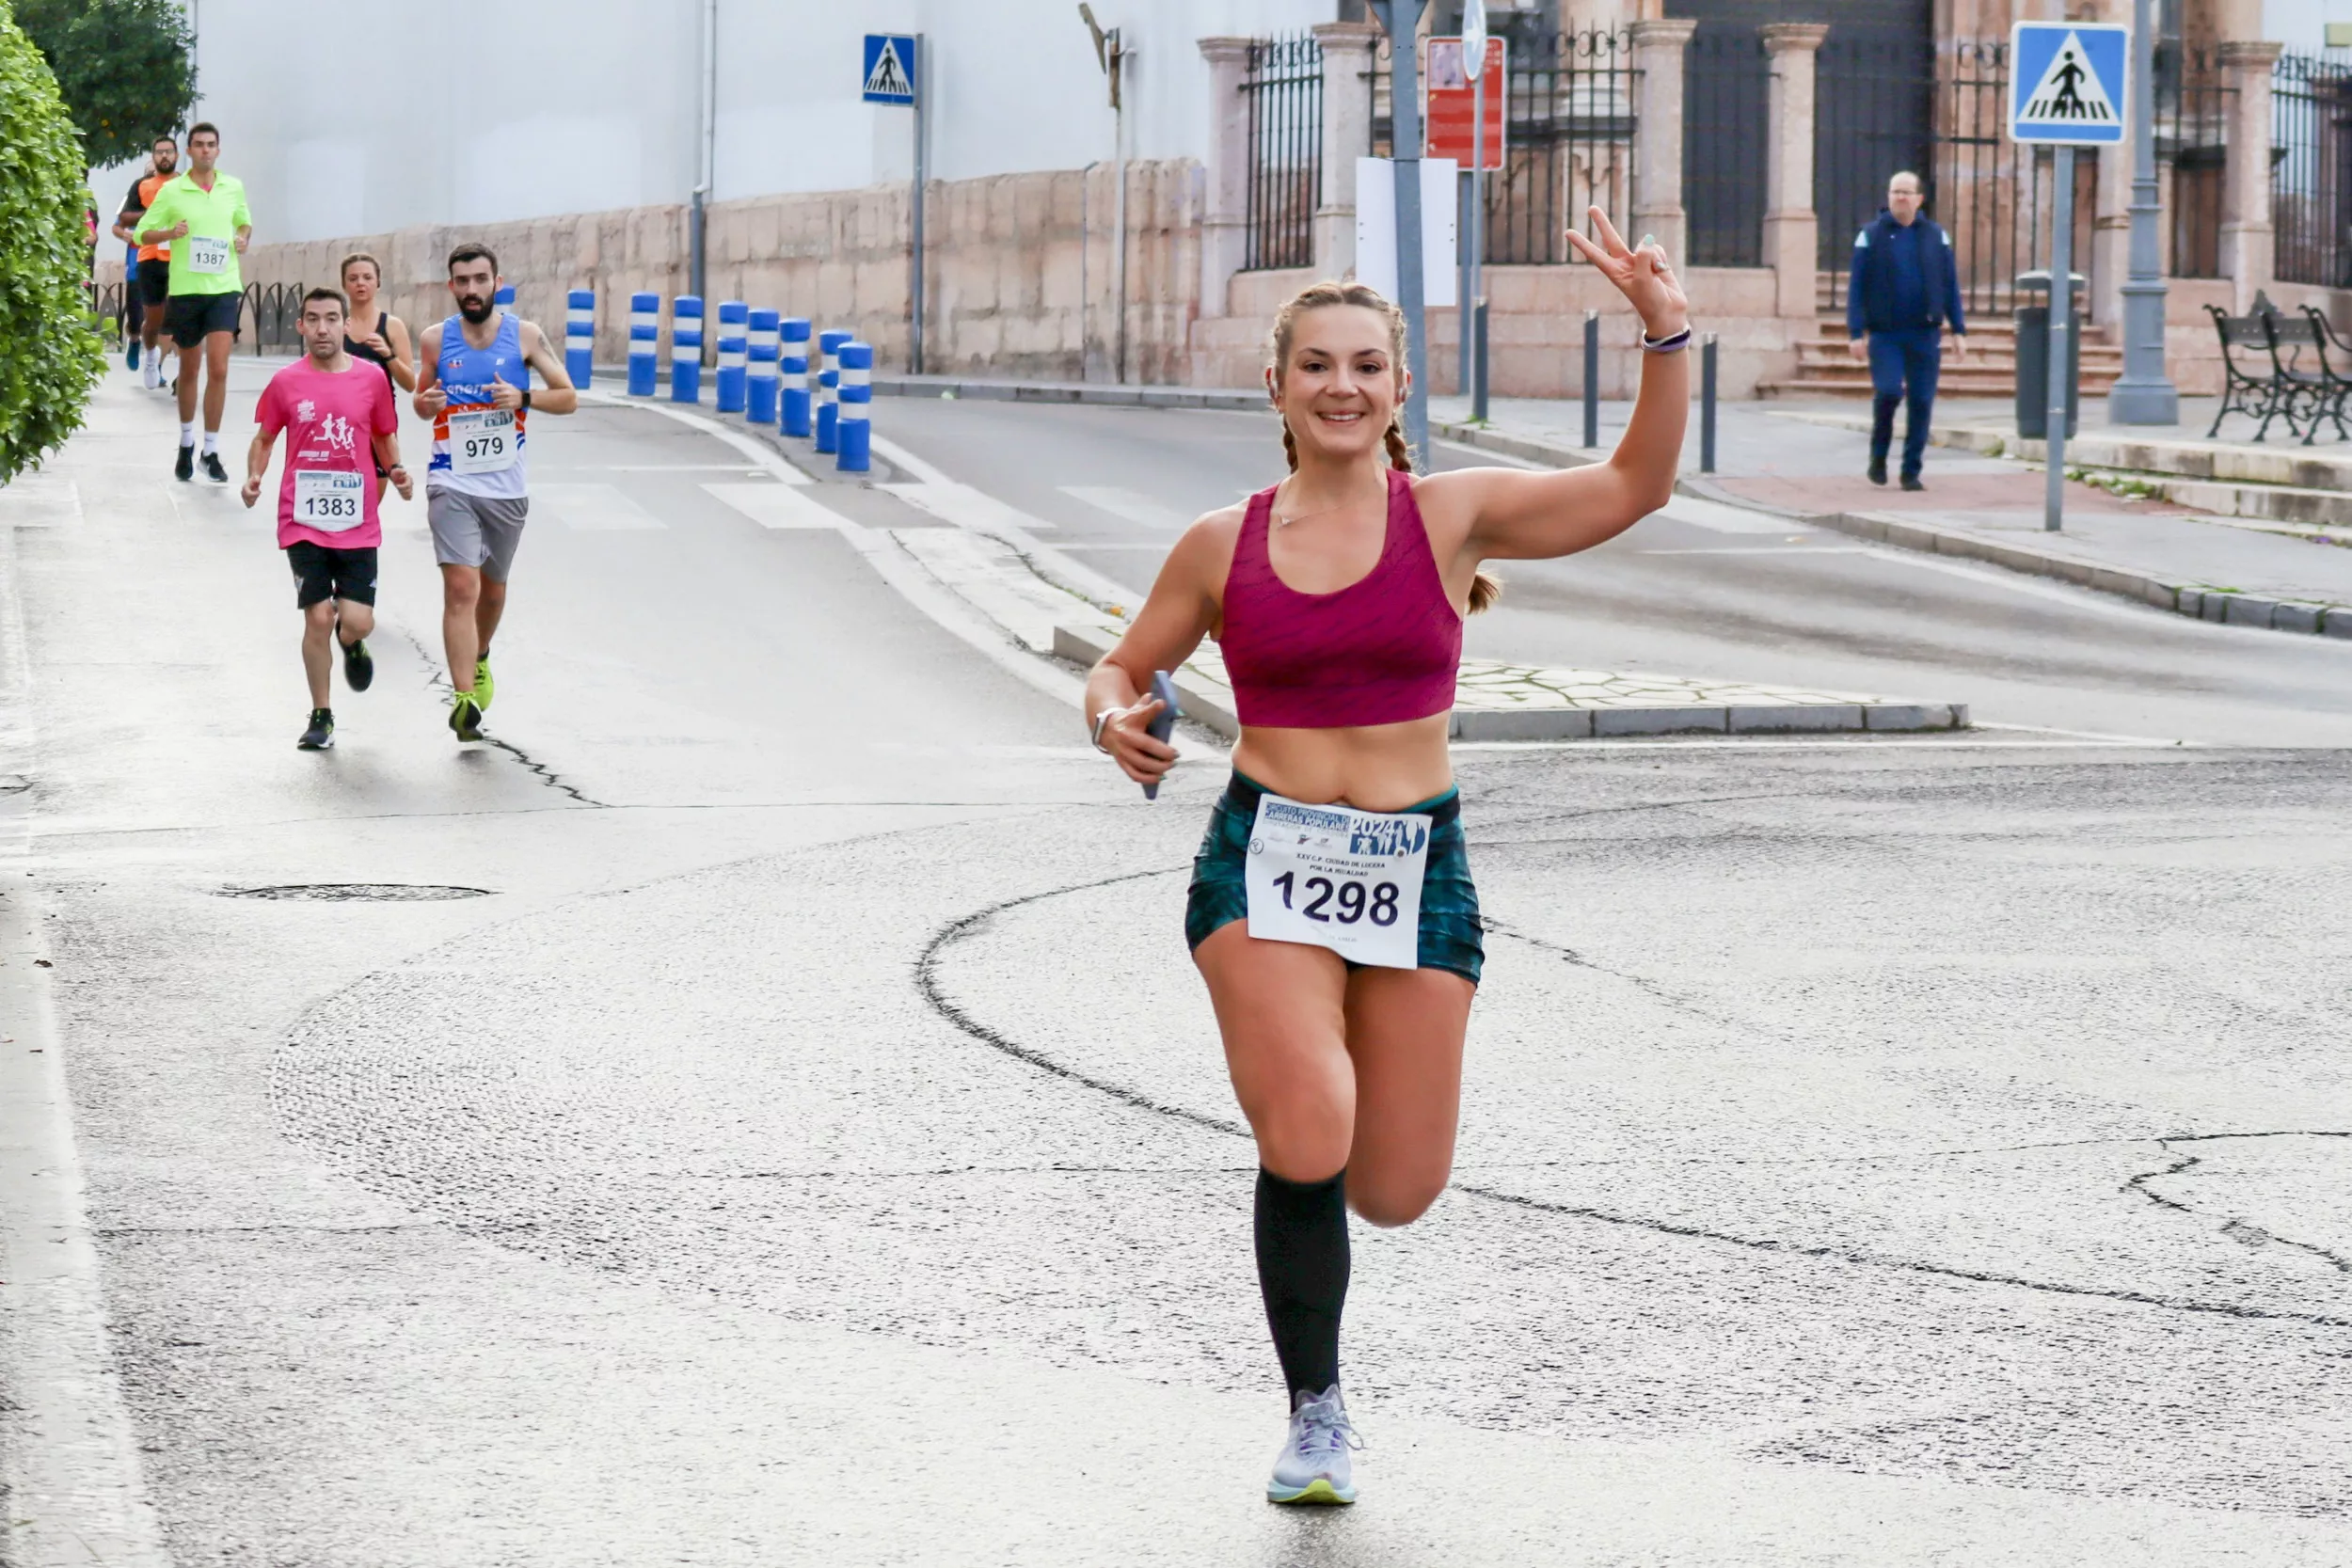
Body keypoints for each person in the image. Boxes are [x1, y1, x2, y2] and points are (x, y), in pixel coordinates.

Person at [1081, 209, 1688, 1506]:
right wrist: (1112, 713)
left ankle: (1324, 1233)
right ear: (1278, 387)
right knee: (1310, 1122)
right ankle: (1316, 1413)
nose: (1342, 386)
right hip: (1265, 861)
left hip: (1418, 866)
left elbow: (1635, 486)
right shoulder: (1222, 541)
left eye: (1367, 365)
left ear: (1399, 385)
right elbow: (1126, 661)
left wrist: (1663, 329)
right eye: (1317, 365)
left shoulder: (1452, 518)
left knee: (1397, 1185)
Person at [411, 243, 577, 741]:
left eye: (480, 280)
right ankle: (464, 701)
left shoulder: (525, 336)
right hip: (450, 479)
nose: (471, 290)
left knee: (494, 588)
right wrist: (429, 401)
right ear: (451, 287)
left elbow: (568, 397)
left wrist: (523, 397)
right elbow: (420, 403)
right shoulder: (435, 340)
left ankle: (479, 657)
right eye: (462, 282)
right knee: (462, 587)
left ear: (496, 282)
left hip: (505, 485)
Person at [239, 287, 412, 751]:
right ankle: (321, 714)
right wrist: (254, 476)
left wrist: (395, 471)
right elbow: (265, 437)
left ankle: (351, 642)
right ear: (301, 327)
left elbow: (383, 435)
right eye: (312, 319)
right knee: (317, 616)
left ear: (346, 326)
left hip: (356, 519)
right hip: (303, 518)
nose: (322, 328)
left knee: (355, 620)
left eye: (331, 319)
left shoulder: (372, 379)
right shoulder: (286, 383)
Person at [137, 122, 250, 483]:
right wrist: (170, 233)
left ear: (218, 150)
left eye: (211, 145)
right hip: (187, 291)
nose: (205, 150)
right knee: (190, 369)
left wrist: (243, 238)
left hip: (224, 288)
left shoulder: (232, 187)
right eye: (199, 145)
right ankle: (187, 442)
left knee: (219, 369)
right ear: (189, 151)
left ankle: (211, 450)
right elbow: (142, 233)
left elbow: (244, 223)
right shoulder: (172, 191)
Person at [1846, 170, 1966, 491]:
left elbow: (1950, 284)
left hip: (1924, 334)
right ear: (1888, 197)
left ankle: (1911, 470)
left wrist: (1959, 330)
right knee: (1888, 391)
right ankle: (1878, 457)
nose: (1900, 197)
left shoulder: (1935, 235)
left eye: (1906, 192)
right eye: (1895, 191)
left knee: (1922, 401)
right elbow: (1856, 287)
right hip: (1885, 334)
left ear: (1919, 199)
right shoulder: (1870, 235)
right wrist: (1855, 332)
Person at [112, 135, 181, 388]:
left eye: (169, 152)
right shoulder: (141, 186)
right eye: (159, 152)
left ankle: (179, 370)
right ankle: (138, 343)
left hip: (180, 258)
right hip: (146, 256)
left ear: (177, 155)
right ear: (152, 158)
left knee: (180, 314)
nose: (164, 157)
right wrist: (149, 216)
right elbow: (121, 221)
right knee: (147, 316)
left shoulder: (187, 183)